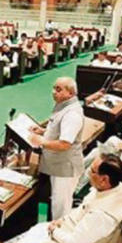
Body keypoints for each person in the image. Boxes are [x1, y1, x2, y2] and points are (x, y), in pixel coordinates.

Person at [0, 154, 122, 243]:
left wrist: (54, 231)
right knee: (37, 228)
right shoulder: (118, 189)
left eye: (92, 171)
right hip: (69, 229)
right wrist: (62, 220)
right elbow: (84, 208)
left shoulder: (101, 216)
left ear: (104, 179)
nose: (88, 173)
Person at [29, 77, 85, 219]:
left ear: (70, 93)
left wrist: (42, 141)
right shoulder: (64, 106)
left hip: (65, 168)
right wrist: (43, 131)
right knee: (56, 204)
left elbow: (65, 144)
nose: (54, 92)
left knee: (60, 210)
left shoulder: (72, 114)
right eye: (54, 88)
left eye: (58, 89)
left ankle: (58, 232)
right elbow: (59, 129)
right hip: (57, 165)